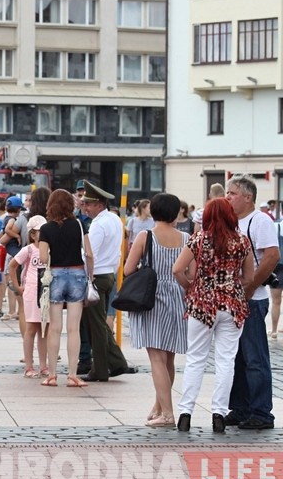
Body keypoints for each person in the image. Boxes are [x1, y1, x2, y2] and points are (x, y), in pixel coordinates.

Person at [172, 197, 253, 433]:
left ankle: (185, 413)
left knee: (196, 359)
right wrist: (230, 283)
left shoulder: (198, 239)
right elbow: (248, 277)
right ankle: (219, 413)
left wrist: (190, 286)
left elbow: (177, 269)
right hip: (231, 304)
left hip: (202, 304)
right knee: (226, 360)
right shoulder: (242, 242)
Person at [124, 193, 189, 428]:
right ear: (176, 213)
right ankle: (160, 405)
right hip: (179, 297)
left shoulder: (145, 236)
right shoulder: (186, 237)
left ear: (153, 211)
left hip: (152, 298)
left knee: (156, 358)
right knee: (168, 356)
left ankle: (168, 414)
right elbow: (190, 274)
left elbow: (129, 269)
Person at [224, 174, 279, 430]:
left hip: (253, 300)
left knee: (255, 357)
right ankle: (240, 407)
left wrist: (251, 285)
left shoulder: (260, 221)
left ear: (247, 197)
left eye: (232, 193)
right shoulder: (232, 222)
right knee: (236, 357)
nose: (228, 197)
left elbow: (271, 256)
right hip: (233, 299)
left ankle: (261, 412)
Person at [79, 180, 134, 383]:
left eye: (89, 204)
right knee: (99, 323)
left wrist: (85, 276)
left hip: (97, 275)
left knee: (96, 326)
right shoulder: (114, 219)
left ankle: (100, 370)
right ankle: (117, 362)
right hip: (109, 274)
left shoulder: (98, 224)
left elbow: (89, 254)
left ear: (99, 205)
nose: (85, 207)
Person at [39, 189, 93, 387]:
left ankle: (52, 375)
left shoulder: (46, 229)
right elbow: (88, 253)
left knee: (54, 328)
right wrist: (91, 276)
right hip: (77, 275)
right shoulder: (79, 225)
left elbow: (44, 258)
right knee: (73, 328)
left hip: (56, 275)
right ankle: (72, 375)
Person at [11, 215, 49, 378]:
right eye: (41, 231)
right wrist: (18, 286)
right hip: (32, 291)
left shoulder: (49, 249)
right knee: (32, 328)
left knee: (44, 330)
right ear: (33, 234)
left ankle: (43, 365)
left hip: (46, 292)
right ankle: (28, 365)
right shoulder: (28, 250)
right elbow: (12, 266)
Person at [0, 196, 24, 324]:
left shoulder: (5, 218)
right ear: (18, 209)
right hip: (13, 250)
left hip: (10, 250)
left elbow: (1, 236)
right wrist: (17, 235)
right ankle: (18, 310)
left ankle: (14, 310)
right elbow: (8, 230)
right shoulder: (12, 220)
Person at [269, 218, 283, 339]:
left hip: (278, 267)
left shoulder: (276, 226)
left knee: (276, 301)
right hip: (278, 267)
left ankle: (274, 330)